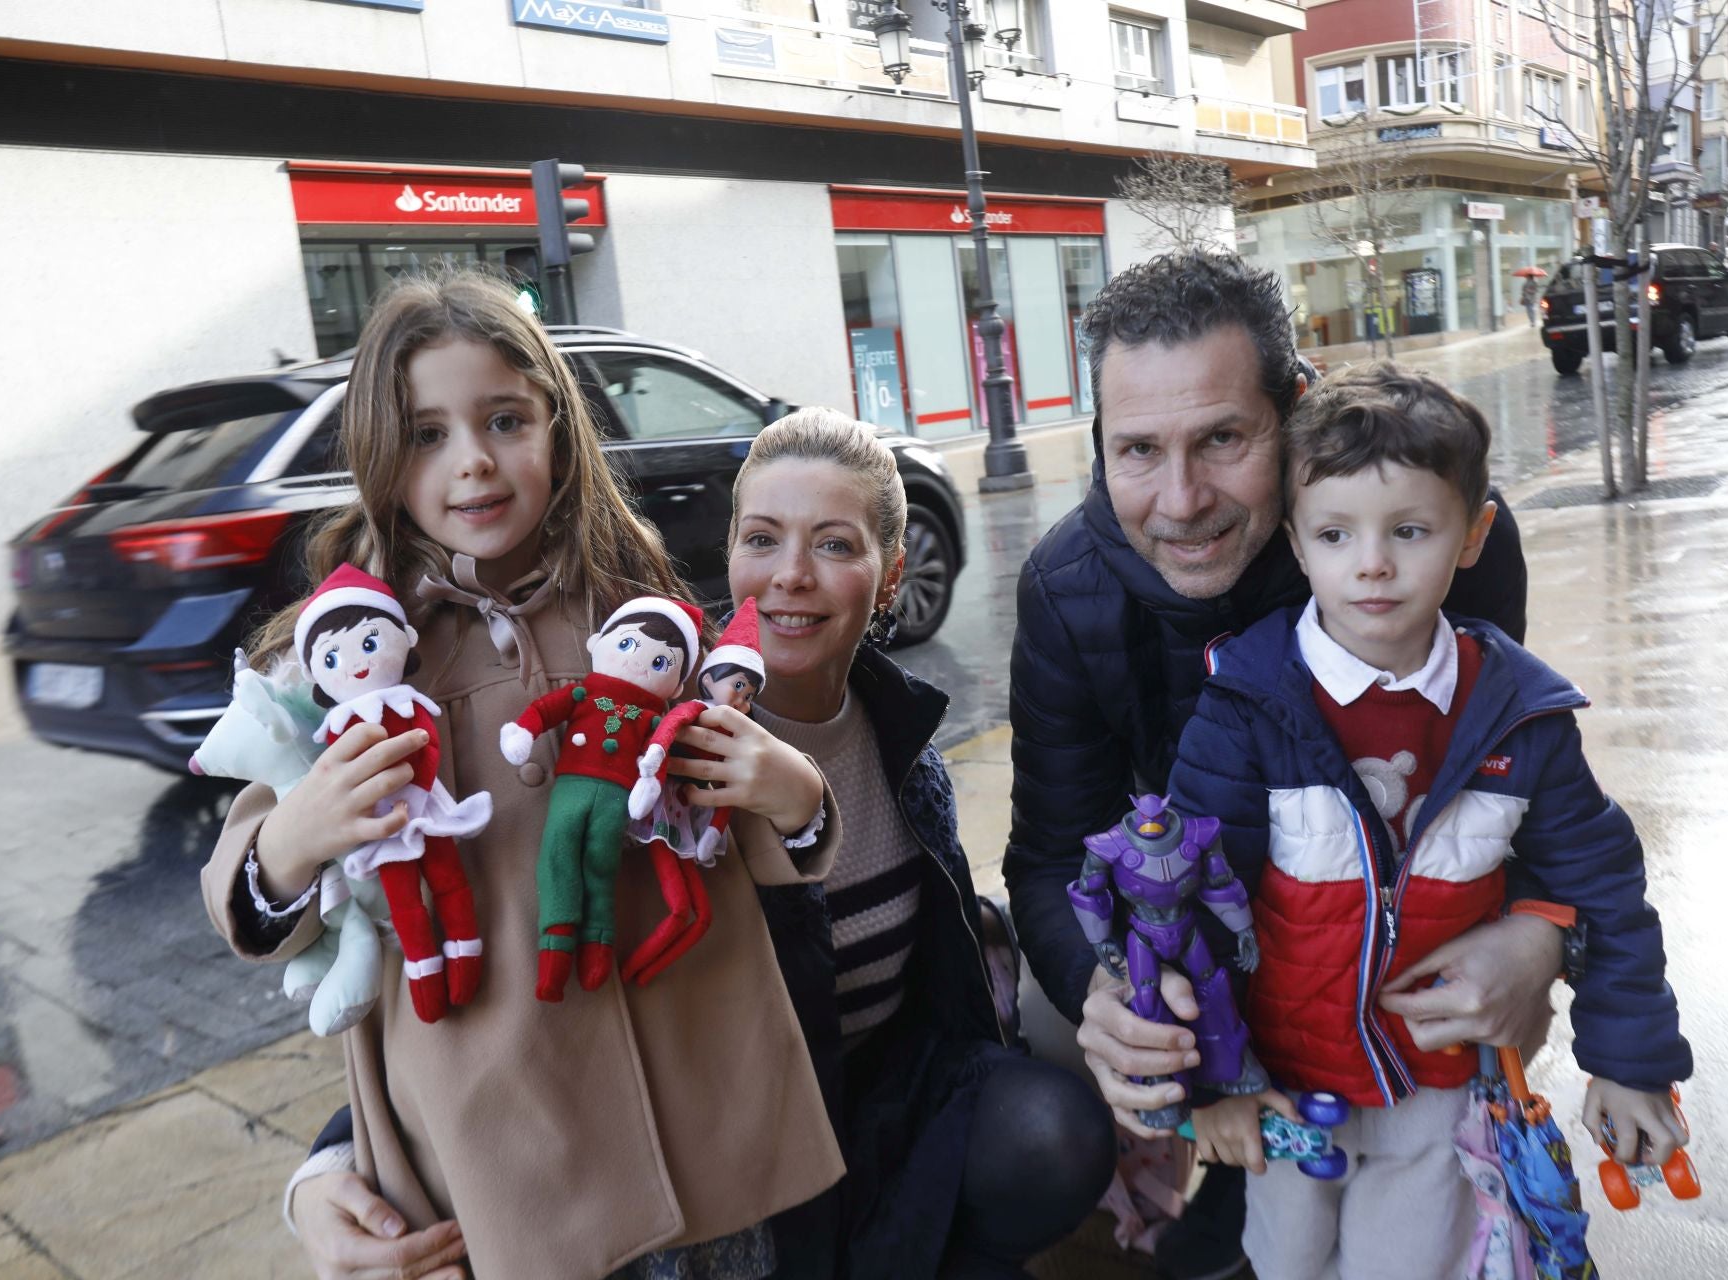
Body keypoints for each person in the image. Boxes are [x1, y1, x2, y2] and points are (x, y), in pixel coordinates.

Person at [289, 406, 1116, 1279]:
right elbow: (518, 950)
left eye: (834, 545)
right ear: (728, 555)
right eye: (762, 538)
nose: (790, 575)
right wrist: (332, 1162)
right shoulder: (653, 734)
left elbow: (941, 966)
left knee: (1051, 1134)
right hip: (738, 1145)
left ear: (890, 576)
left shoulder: (899, 733)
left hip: (887, 1105)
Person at [204, 270, 846, 1280]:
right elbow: (247, 878)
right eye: (426, 433)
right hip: (506, 1156)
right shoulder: (345, 650)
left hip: (700, 1115)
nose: (474, 462)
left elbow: (738, 828)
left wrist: (792, 794)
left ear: (556, 428)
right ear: (380, 452)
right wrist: (290, 841)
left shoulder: (635, 613)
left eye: (505, 418)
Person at [1001, 250, 1563, 1280]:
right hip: (1193, 932)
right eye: (1138, 450)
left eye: (1222, 437)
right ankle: (1202, 1174)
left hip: (1372, 940)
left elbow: (1511, 795)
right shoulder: (1065, 589)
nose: (1180, 499)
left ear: (1294, 411)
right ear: (1099, 444)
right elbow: (1044, 852)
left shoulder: (1426, 542)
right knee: (1051, 1044)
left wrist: (1535, 940)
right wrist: (1103, 995)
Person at [1171, 362, 1692, 1278]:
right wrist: (1214, 1084)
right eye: (1336, 533)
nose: (1371, 562)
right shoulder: (1247, 705)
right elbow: (1189, 904)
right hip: (1283, 1083)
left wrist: (1633, 1060)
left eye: (1409, 530)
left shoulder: (1518, 716)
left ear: (1473, 534)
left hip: (1435, 1085)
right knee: (1284, 1261)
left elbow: (1601, 880)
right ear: (1296, 543)